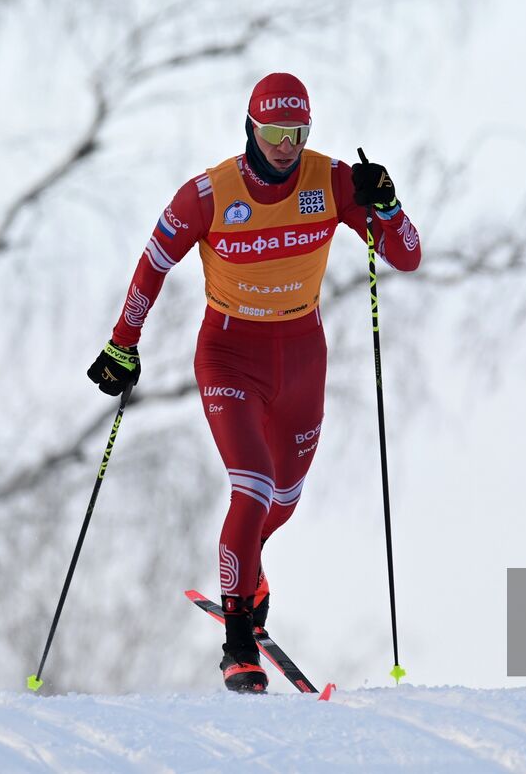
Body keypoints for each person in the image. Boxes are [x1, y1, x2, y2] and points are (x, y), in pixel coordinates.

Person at [86, 72, 422, 693]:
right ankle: (238, 642)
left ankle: (247, 572)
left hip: (302, 358)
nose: (285, 145)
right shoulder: (211, 193)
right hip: (229, 354)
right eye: (273, 132)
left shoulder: (331, 181)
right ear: (251, 127)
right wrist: (123, 342)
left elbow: (405, 255)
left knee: (283, 503)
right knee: (253, 486)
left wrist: (387, 203)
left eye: (296, 132)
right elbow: (154, 260)